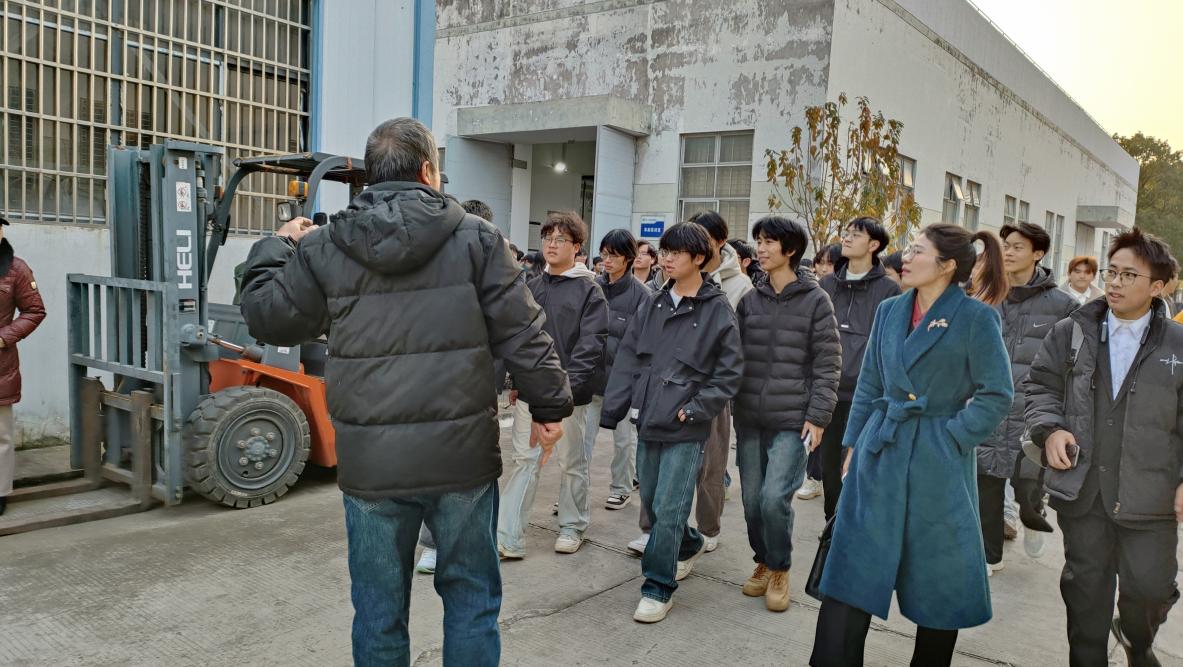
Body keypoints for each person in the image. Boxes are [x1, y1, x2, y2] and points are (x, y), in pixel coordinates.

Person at [239, 118, 571, 666]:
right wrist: (551, 405)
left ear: (373, 175)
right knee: (471, 601)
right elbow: (523, 330)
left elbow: (268, 317)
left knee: (378, 612)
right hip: (461, 458)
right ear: (427, 171)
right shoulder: (478, 238)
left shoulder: (325, 246)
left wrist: (277, 244)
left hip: (373, 465)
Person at [811, 224, 1012, 667]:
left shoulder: (976, 318)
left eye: (918, 251)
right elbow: (869, 382)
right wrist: (853, 445)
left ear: (947, 265)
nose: (905, 256)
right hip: (880, 447)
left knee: (939, 572)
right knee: (852, 564)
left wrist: (952, 437)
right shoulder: (891, 309)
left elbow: (998, 393)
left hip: (937, 458)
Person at [1026, 227, 1183, 667]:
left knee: (1151, 589)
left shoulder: (1178, 344)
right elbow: (1040, 387)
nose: (1114, 282)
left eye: (1129, 275)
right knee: (1085, 595)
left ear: (1157, 287)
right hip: (1085, 491)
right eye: (1112, 272)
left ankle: (1136, 636)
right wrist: (1050, 430)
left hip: (1151, 498)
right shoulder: (1072, 332)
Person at [600, 222, 743, 623]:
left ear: (698, 258)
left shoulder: (717, 309)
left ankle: (658, 586)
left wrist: (697, 408)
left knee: (670, 505)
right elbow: (629, 356)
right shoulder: (655, 302)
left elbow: (730, 372)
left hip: (686, 424)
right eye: (664, 251)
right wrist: (616, 407)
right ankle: (690, 542)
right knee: (652, 502)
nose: (666, 259)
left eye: (676, 252)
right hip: (649, 417)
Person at [733, 215, 841, 612]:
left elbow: (828, 363)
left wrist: (819, 416)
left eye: (768, 242)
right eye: (758, 241)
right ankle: (762, 559)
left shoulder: (816, 301)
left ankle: (779, 567)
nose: (760, 249)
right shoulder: (750, 301)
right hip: (749, 416)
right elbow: (733, 356)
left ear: (790, 250)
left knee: (774, 498)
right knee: (751, 502)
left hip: (794, 419)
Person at [498, 211, 608, 557]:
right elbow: (520, 339)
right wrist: (517, 381)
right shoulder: (532, 285)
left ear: (577, 247)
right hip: (532, 393)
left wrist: (564, 393)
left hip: (570, 397)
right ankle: (509, 537)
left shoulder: (590, 291)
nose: (552, 244)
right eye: (547, 238)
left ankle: (573, 526)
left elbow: (590, 347)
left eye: (561, 239)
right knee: (524, 460)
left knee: (571, 463)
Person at [976, 222, 1078, 573]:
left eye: (1017, 246)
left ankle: (1032, 516)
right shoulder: (985, 294)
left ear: (1038, 254)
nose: (1007, 251)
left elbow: (1072, 364)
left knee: (1028, 486)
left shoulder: (1063, 306)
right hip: (988, 405)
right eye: (1005, 245)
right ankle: (990, 556)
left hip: (1031, 410)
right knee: (986, 481)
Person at [816, 217, 901, 520]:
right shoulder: (826, 285)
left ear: (874, 245)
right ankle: (831, 527)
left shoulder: (889, 290)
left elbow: (889, 345)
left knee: (855, 466)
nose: (847, 238)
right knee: (828, 467)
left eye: (856, 234)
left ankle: (851, 526)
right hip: (828, 391)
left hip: (865, 395)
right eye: (846, 232)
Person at [583, 229, 651, 511]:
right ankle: (575, 492)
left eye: (614, 255)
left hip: (624, 383)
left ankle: (621, 487)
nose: (607, 260)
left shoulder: (642, 295)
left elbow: (644, 344)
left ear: (628, 258)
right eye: (604, 254)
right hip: (591, 379)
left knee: (624, 440)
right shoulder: (592, 287)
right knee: (581, 441)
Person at [0, 215, 47, 517]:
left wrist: (4, 337)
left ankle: (0, 492)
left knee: (0, 435)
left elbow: (34, 310)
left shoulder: (16, 269)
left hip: (0, 365)